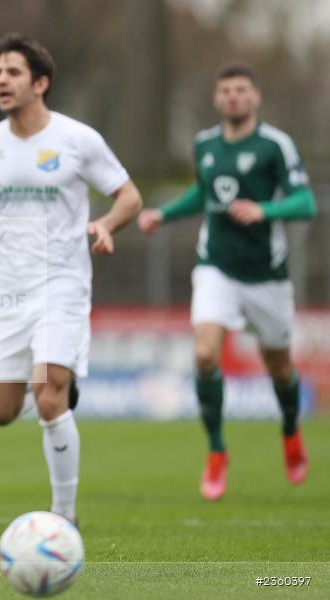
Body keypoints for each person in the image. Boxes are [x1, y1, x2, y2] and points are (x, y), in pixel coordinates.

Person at [0, 34, 142, 524]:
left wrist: (106, 225)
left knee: (48, 397)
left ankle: (64, 517)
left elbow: (128, 196)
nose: (1, 79)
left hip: (63, 283)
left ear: (40, 83)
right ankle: (61, 385)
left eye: (13, 72)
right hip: (10, 291)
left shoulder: (78, 140)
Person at [137, 64, 314, 501]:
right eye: (226, 91)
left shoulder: (276, 145)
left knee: (280, 368)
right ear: (217, 99)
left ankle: (290, 432)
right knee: (203, 355)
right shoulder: (205, 144)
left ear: (255, 97)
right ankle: (217, 451)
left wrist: (265, 212)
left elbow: (306, 202)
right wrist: (166, 213)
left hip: (266, 276)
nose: (233, 97)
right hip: (216, 266)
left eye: (241, 90)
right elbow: (204, 193)